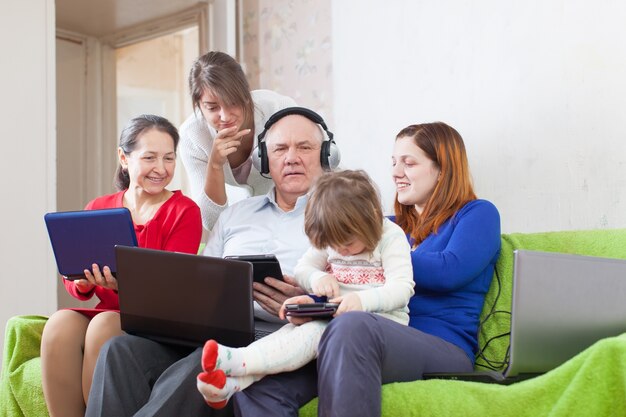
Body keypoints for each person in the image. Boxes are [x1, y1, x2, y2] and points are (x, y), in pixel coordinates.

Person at [232, 122, 502, 417]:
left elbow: (451, 270)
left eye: (409, 163)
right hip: (361, 340)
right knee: (261, 380)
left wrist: (375, 253)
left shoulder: (476, 214)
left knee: (352, 326)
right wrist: (317, 291)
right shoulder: (383, 228)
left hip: (441, 346)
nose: (396, 172)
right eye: (394, 162)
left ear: (443, 169)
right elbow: (344, 272)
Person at [84, 107, 341, 417]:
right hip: (219, 333)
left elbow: (362, 295)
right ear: (263, 158)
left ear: (327, 154)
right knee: (119, 350)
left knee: (204, 362)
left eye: (304, 147)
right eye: (280, 149)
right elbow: (199, 279)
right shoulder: (236, 216)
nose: (291, 157)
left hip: (288, 341)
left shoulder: (345, 216)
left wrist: (306, 303)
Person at [196, 170, 414, 408]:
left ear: (371, 218)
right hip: (333, 318)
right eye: (333, 245)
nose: (340, 251)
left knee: (311, 333)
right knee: (290, 332)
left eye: (349, 243)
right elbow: (304, 268)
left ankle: (239, 360)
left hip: (380, 326)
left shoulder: (390, 237)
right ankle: (232, 385)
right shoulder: (334, 236)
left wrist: (363, 302)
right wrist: (317, 277)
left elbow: (402, 288)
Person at [40, 115, 202, 417]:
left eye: (169, 158)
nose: (161, 169)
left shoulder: (184, 211)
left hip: (153, 319)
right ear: (123, 158)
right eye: (150, 158)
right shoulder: (98, 207)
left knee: (103, 324)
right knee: (59, 325)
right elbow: (74, 280)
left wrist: (124, 284)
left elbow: (172, 287)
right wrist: (84, 282)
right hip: (107, 310)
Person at [179, 50, 296, 231]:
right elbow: (211, 221)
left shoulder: (278, 109)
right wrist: (215, 165)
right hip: (247, 226)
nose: (225, 116)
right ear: (199, 105)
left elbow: (321, 170)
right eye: (212, 107)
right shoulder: (192, 136)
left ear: (246, 94)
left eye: (233, 102)